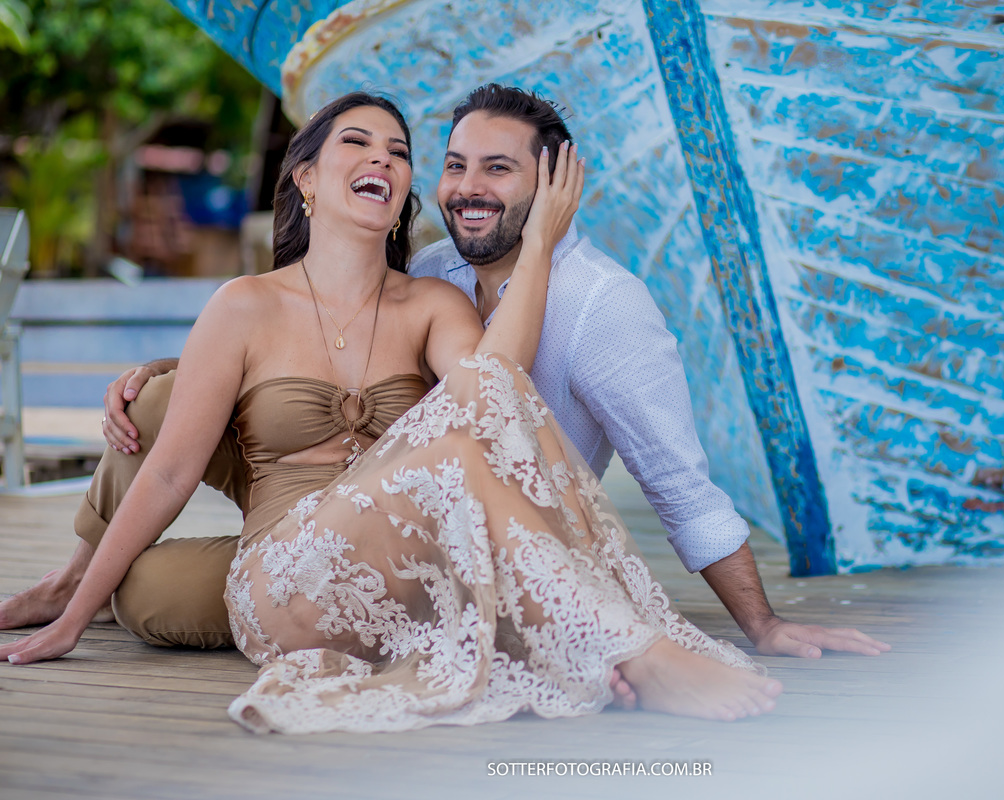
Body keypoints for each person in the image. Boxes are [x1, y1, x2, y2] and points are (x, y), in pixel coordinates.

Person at [2, 87, 886, 662]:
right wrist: (186, 361)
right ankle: (66, 584)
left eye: (496, 169)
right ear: (305, 175)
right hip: (285, 504)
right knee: (158, 408)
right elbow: (263, 363)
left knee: (147, 594)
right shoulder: (437, 268)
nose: (460, 184)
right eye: (454, 163)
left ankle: (110, 586)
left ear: (553, 183)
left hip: (425, 540)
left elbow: (670, 480)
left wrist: (762, 625)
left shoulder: (593, 306)